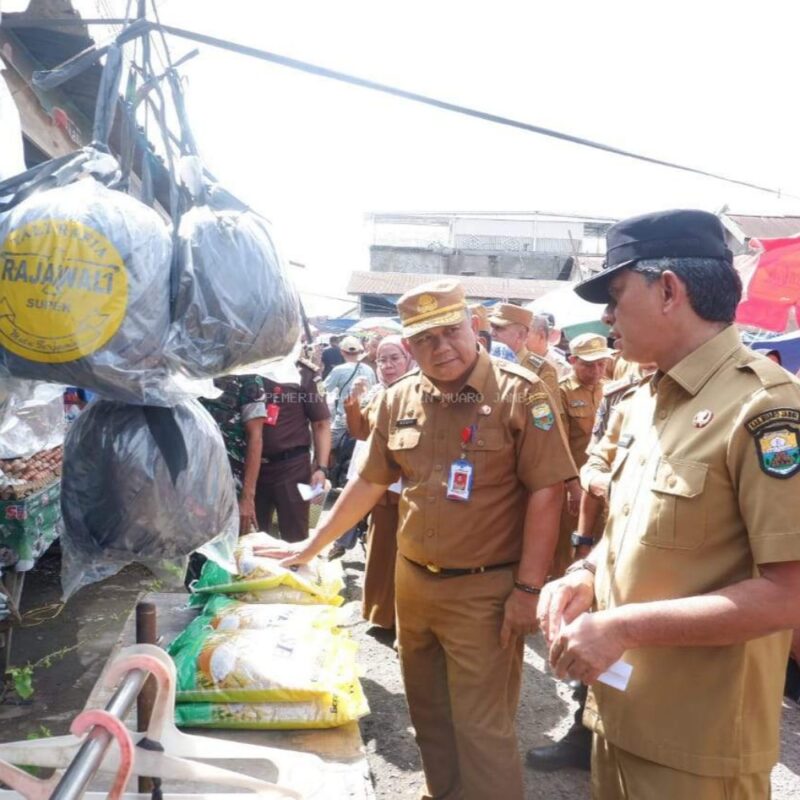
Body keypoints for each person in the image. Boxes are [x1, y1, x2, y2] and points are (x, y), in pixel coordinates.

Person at [258, 279, 577, 800]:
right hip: (415, 584)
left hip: (485, 590)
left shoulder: (520, 392)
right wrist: (311, 545)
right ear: (409, 346)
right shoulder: (398, 397)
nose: (442, 348)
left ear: (473, 326)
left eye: (451, 332)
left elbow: (548, 493)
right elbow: (369, 481)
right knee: (427, 712)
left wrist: (528, 590)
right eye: (426, 340)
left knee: (482, 728)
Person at [538, 209, 800, 799]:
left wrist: (622, 624)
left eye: (614, 294)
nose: (606, 317)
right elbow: (637, 529)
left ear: (668, 290)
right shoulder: (643, 401)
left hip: (698, 746)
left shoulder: (766, 408)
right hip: (621, 710)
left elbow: (790, 592)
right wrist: (584, 574)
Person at [338, 335, 414, 627]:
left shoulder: (418, 393)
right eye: (382, 359)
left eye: (394, 358)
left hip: (408, 492)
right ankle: (383, 616)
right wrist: (353, 404)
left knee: (405, 560)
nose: (388, 365)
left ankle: (406, 623)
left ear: (409, 359)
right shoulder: (380, 393)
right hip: (379, 490)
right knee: (381, 553)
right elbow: (360, 431)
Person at [550, 332, 613, 578]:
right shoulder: (561, 392)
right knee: (569, 546)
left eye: (601, 363)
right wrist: (573, 487)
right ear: (572, 360)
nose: (596, 370)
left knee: (602, 542)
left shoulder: (612, 389)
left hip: (605, 483)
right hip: (574, 483)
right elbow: (559, 444)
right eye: (588, 364)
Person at [254, 357, 331, 542]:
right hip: (251, 468)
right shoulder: (245, 366)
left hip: (291, 468)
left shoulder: (303, 372)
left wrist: (321, 467)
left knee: (295, 536)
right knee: (250, 536)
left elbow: (320, 423)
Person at [200, 375, 266, 535]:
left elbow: (255, 438)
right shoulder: (191, 367)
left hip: (227, 482)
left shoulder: (249, 378)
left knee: (222, 545)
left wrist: (247, 498)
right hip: (189, 480)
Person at [323, 335, 376, 486]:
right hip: (366, 420)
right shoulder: (369, 370)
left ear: (342, 352)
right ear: (360, 351)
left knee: (325, 447)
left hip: (343, 419)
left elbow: (324, 390)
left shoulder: (338, 370)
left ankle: (324, 478)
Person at [489, 303, 561, 404]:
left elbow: (546, 415)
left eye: (499, 328)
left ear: (521, 335)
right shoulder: (485, 360)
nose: (492, 333)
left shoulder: (542, 369)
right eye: (492, 327)